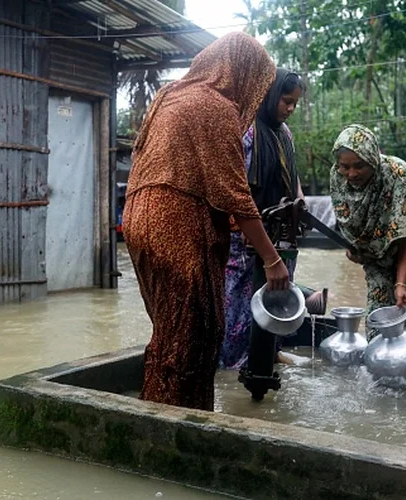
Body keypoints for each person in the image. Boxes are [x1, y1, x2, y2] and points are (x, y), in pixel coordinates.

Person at [122, 32, 289, 411]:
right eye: (257, 84)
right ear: (242, 73)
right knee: (196, 334)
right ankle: (178, 427)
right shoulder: (215, 106)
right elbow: (235, 192)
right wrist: (272, 258)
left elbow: (160, 160)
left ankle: (158, 410)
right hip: (174, 221)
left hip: (139, 215)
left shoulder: (169, 94)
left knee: (170, 330)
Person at [220, 69, 326, 370]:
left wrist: (300, 200)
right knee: (239, 302)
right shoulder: (247, 131)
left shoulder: (285, 134)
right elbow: (236, 189)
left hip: (282, 232)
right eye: (286, 100)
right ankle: (234, 364)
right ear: (269, 95)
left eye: (295, 103)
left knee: (278, 297)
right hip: (247, 237)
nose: (290, 108)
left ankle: (271, 353)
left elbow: (292, 177)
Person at [329, 125, 406, 336]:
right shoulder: (338, 178)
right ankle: (376, 358)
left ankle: (404, 363)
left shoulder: (398, 176)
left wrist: (400, 283)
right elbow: (351, 221)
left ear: (373, 158)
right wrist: (356, 248)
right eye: (345, 166)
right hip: (375, 248)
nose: (351, 173)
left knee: (402, 309)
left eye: (359, 166)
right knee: (378, 311)